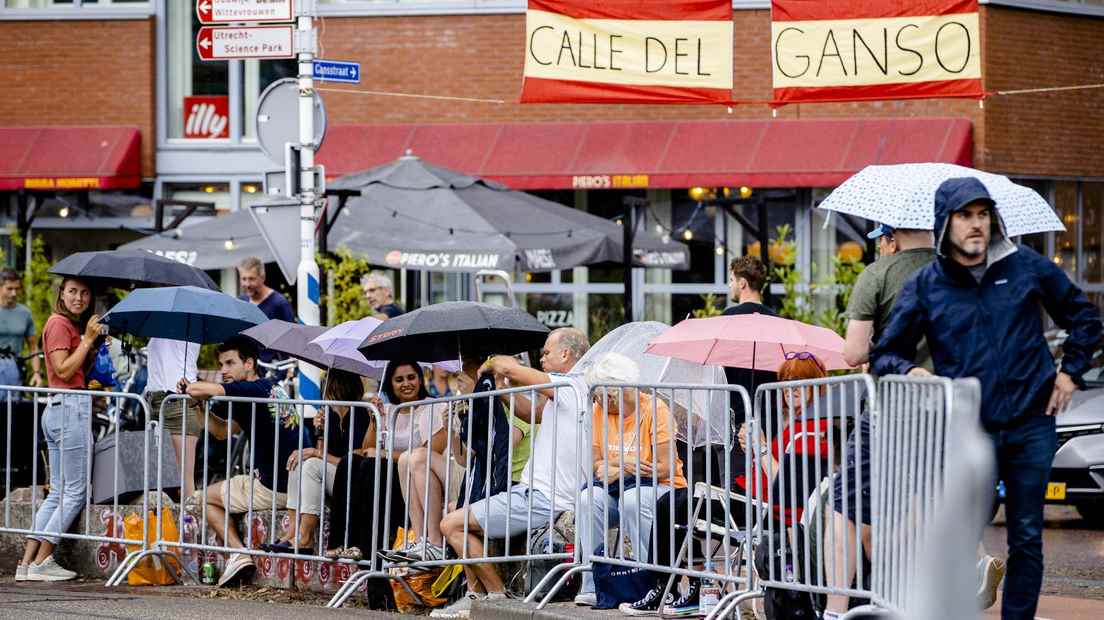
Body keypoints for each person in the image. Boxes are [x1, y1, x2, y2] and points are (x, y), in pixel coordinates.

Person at [871, 177, 1103, 620]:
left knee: (1027, 535)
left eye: (982, 214)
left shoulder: (1027, 267)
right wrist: (911, 371)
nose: (976, 224)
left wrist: (1071, 373)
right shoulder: (927, 285)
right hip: (969, 427)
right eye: (965, 215)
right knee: (959, 533)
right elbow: (884, 353)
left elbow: (1085, 319)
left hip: (1032, 421)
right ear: (945, 223)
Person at [826, 222, 942, 615]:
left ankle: (836, 609)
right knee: (924, 506)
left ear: (893, 238)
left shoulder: (881, 274)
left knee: (845, 506)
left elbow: (853, 352)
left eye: (881, 239)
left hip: (892, 409)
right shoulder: (959, 271)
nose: (879, 246)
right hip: (948, 408)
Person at [435, 328, 589, 619]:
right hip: (533, 491)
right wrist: (502, 387)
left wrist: (492, 363)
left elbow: (508, 366)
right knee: (461, 516)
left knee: (451, 524)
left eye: (545, 353)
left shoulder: (572, 386)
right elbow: (531, 414)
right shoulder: (567, 394)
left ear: (566, 354)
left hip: (545, 497)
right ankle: (477, 595)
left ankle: (493, 596)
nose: (541, 359)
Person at [181, 335, 311, 587]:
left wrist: (191, 387)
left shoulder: (250, 390)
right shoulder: (269, 387)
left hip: (275, 488)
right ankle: (239, 552)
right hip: (294, 483)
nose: (223, 371)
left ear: (249, 364)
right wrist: (198, 408)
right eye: (221, 365)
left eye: (230, 363)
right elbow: (222, 432)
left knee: (201, 497)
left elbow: (199, 389)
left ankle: (239, 553)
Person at [576, 352, 687, 612]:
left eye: (598, 395)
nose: (596, 401)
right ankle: (594, 584)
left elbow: (664, 467)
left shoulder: (655, 408)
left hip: (664, 489)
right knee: (588, 499)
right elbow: (597, 466)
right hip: (619, 486)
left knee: (633, 499)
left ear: (615, 392)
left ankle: (650, 584)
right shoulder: (599, 411)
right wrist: (626, 467)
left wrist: (621, 469)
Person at [392, 356, 530, 562]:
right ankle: (422, 540)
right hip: (473, 476)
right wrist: (453, 430)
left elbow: (496, 449)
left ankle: (436, 544)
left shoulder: (516, 407)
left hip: (495, 483)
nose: (459, 381)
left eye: (464, 376)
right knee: (406, 459)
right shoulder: (475, 406)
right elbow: (464, 460)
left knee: (419, 457)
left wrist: (475, 406)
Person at [16, 277, 101, 582]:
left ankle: (26, 565)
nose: (79, 297)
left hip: (61, 408)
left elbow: (70, 370)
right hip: (68, 409)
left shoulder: (67, 326)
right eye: (73, 291)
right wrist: (88, 340)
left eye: (85, 292)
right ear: (61, 294)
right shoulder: (59, 324)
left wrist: (91, 345)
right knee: (75, 492)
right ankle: (42, 561)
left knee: (59, 493)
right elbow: (63, 369)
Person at [722, 256, 778, 428]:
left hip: (734, 415)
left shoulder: (728, 319)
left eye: (731, 280)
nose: (729, 285)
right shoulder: (776, 321)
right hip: (768, 415)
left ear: (742, 283)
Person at [144, 337, 201, 498]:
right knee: (160, 483)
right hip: (155, 403)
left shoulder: (187, 321)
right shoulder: (159, 323)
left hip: (177, 400)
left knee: (184, 485)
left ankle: (191, 522)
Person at [237, 256, 294, 366]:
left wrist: (290, 370)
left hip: (274, 370)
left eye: (251, 279)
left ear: (262, 277)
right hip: (247, 369)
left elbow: (292, 338)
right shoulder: (241, 302)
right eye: (244, 279)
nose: (247, 284)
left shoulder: (279, 303)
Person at [0, 268, 42, 397]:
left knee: (11, 411)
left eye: (16, 289)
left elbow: (33, 348)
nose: (14, 293)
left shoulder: (24, 313)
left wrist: (36, 373)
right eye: (9, 288)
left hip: (14, 370)